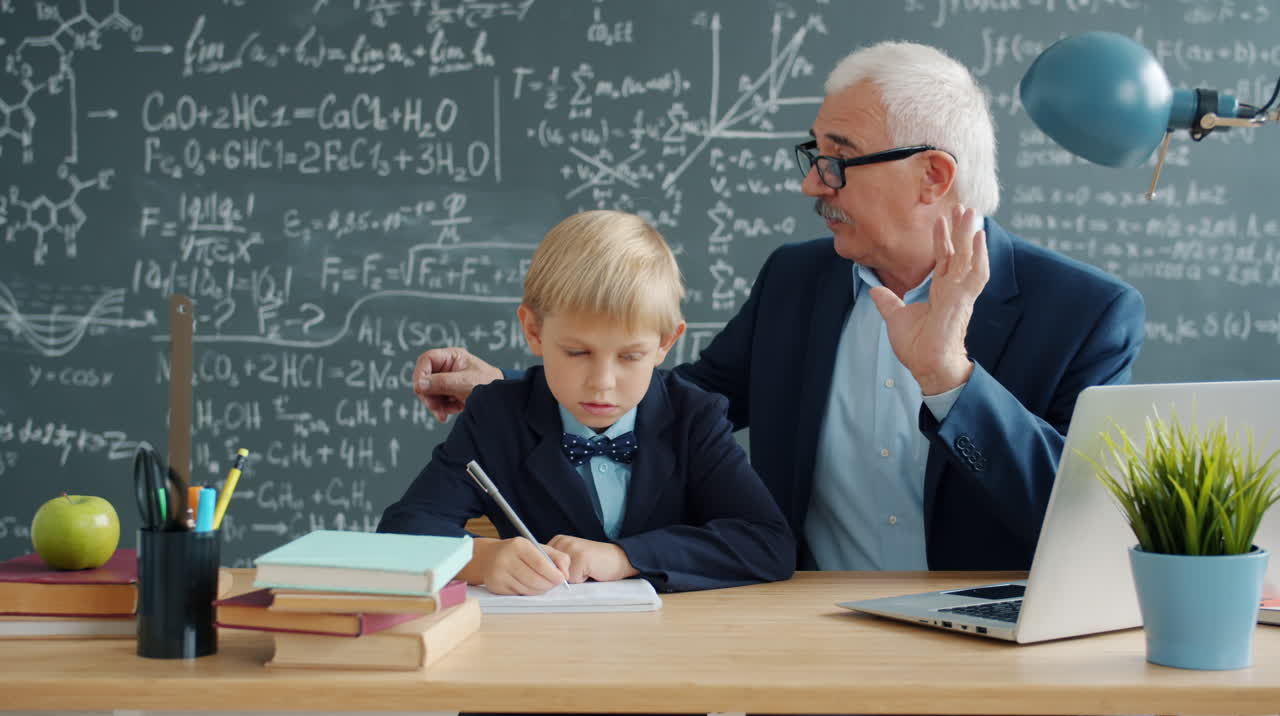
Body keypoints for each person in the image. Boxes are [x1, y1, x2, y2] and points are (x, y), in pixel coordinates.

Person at [409, 41, 1145, 579]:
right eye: (813, 154)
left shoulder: (1087, 313)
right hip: (808, 633)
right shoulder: (799, 281)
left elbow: (1082, 519)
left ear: (933, 176)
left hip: (997, 655)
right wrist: (519, 391)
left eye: (839, 157)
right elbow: (686, 399)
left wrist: (951, 380)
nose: (812, 184)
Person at [377, 209, 794, 598]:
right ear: (534, 330)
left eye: (630, 356)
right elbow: (401, 534)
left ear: (666, 342)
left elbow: (767, 543)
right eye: (577, 352)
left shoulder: (693, 416)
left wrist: (626, 557)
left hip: (672, 646)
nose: (602, 384)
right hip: (545, 647)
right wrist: (479, 559)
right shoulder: (496, 416)